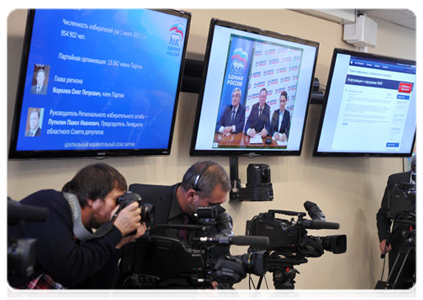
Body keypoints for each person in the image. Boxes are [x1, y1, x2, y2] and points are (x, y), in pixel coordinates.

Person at [5, 163, 146, 300]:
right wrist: (115, 232)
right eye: (117, 200)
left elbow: (92, 296)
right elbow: (68, 270)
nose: (119, 209)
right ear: (91, 198)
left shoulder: (84, 236)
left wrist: (116, 245)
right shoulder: (49, 204)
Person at [116, 161, 232, 300]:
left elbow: (224, 267)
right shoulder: (143, 204)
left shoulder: (219, 221)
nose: (218, 210)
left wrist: (217, 292)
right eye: (212, 204)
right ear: (191, 195)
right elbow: (114, 250)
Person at [376, 151, 420, 300]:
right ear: (416, 166)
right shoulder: (396, 181)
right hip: (400, 244)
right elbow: (383, 214)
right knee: (397, 293)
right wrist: (383, 238)